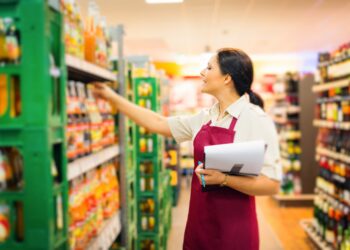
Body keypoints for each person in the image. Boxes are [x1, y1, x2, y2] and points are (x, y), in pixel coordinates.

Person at [93, 48, 282, 250]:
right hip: (200, 222)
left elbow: (271, 184)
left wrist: (225, 179)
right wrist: (112, 97)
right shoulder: (206, 117)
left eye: (209, 68)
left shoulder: (255, 119)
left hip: (233, 229)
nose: (202, 73)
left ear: (227, 78)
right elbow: (157, 123)